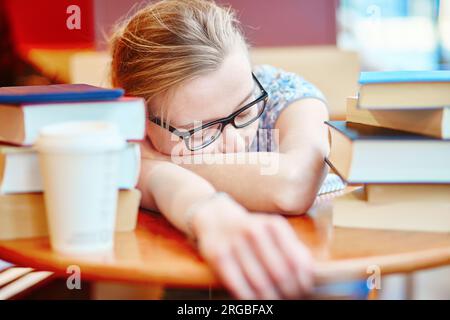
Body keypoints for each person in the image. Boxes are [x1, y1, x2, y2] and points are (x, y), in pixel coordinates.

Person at [110, 0, 330, 300]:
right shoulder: (118, 131)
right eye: (202, 131)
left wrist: (157, 161)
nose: (235, 142)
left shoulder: (284, 95)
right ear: (140, 117)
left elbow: (294, 184)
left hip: (305, 272)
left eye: (243, 111)